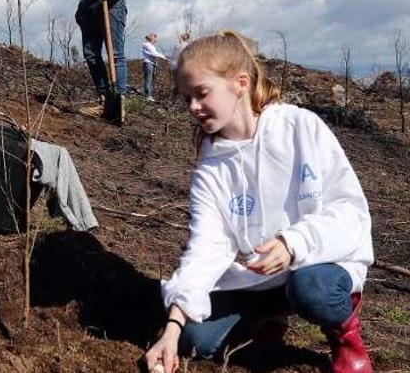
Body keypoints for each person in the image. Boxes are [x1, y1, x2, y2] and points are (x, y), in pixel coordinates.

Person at [144, 30, 374, 373]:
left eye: (201, 93)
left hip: (318, 264)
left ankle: (345, 338)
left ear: (240, 82)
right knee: (196, 340)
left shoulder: (300, 128)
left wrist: (292, 242)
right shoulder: (211, 168)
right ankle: (270, 313)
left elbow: (350, 212)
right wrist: (173, 326)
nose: (192, 106)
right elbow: (207, 247)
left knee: (313, 290)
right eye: (187, 97)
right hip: (259, 279)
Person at [142, 32, 166, 101]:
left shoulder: (151, 46)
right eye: (155, 39)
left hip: (152, 64)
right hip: (148, 64)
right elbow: (154, 54)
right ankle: (147, 95)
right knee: (148, 80)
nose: (156, 40)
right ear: (152, 38)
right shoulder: (147, 45)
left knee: (151, 80)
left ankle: (149, 95)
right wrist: (164, 57)